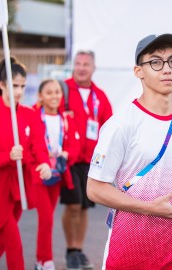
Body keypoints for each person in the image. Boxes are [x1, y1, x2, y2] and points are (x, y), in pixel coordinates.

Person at [86, 33, 172, 270]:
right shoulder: (121, 125)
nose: (166, 69)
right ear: (139, 71)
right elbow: (95, 189)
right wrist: (150, 208)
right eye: (155, 62)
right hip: (132, 248)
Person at [0, 57, 52, 270]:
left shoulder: (30, 115)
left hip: (19, 187)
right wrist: (8, 156)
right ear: (2, 85)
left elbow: (39, 147)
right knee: (13, 241)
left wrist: (45, 164)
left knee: (1, 240)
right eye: (14, 85)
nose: (19, 91)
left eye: (22, 86)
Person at [59, 50, 113, 270]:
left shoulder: (99, 96)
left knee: (83, 207)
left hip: (90, 161)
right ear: (73, 66)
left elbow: (109, 127)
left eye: (86, 64)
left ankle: (78, 250)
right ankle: (70, 250)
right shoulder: (62, 89)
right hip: (67, 159)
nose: (81, 68)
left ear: (93, 67)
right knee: (72, 204)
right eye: (78, 63)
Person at [33, 79, 81, 270]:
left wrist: (67, 154)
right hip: (39, 174)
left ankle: (40, 260)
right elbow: (33, 145)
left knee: (47, 218)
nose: (54, 96)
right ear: (40, 96)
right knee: (46, 218)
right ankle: (46, 260)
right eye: (49, 92)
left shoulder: (66, 119)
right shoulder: (34, 116)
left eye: (57, 92)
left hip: (57, 174)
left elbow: (75, 146)